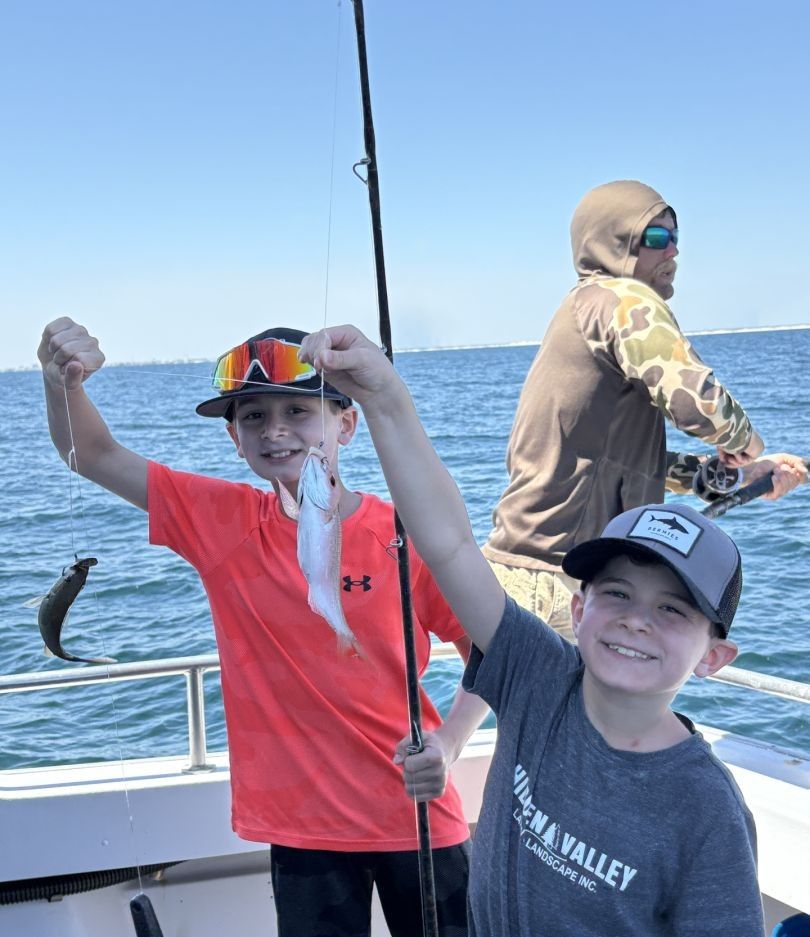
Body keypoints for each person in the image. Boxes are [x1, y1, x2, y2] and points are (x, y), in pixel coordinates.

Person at [298, 324, 767, 936]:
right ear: (577, 611)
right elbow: (449, 544)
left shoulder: (707, 811)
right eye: (617, 593)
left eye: (673, 610)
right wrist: (385, 398)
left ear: (714, 657)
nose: (635, 619)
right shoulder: (537, 674)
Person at [38, 317, 490, 937]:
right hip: (302, 829)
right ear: (234, 439)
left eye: (299, 410)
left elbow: (488, 651)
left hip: (417, 812)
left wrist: (449, 743)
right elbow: (89, 453)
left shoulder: (407, 534)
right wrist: (61, 380)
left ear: (348, 424)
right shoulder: (221, 522)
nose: (275, 430)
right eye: (253, 417)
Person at [482, 180, 807, 639]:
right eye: (656, 237)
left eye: (676, 237)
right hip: (557, 579)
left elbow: (625, 463)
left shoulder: (583, 312)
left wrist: (738, 476)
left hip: (529, 574)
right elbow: (698, 401)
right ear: (615, 240)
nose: (672, 251)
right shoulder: (622, 299)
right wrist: (748, 445)